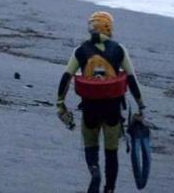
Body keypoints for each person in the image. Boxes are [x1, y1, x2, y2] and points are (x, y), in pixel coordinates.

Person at [56, 11, 146, 193]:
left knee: (91, 148)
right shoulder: (119, 49)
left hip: (89, 108)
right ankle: (109, 189)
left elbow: (66, 77)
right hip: (112, 110)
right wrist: (141, 105)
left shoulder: (80, 50)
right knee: (111, 153)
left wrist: (60, 103)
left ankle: (94, 171)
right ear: (109, 27)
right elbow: (131, 79)